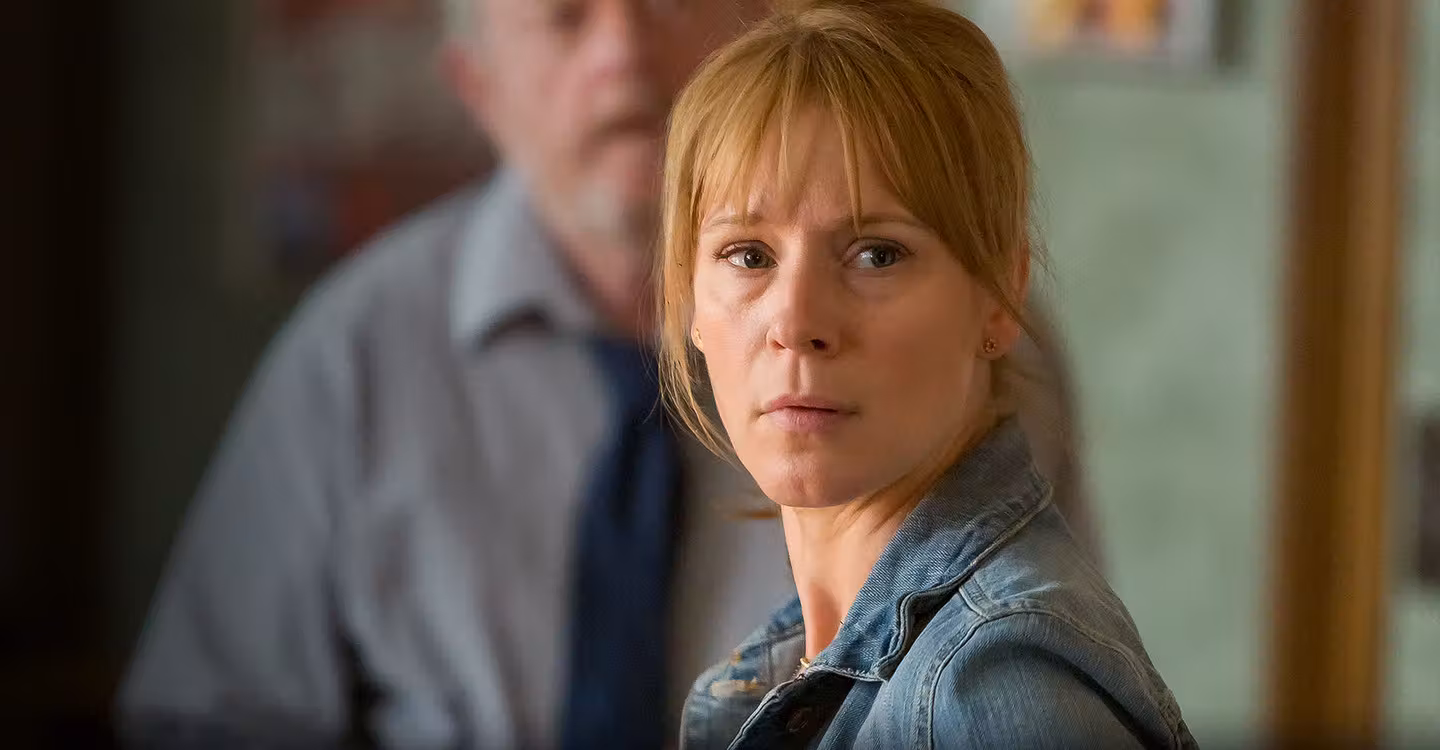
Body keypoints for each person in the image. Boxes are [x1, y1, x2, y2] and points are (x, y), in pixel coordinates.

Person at [118, 0, 1093, 747]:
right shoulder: (357, 352)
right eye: (564, 15)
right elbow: (206, 719)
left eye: (669, 0)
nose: (623, 51)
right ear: (477, 86)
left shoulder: (974, 357)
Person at [657, 1, 1193, 747]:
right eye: (749, 255)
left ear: (999, 296)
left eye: (876, 254)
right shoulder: (812, 662)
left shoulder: (992, 689)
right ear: (689, 298)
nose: (796, 321)